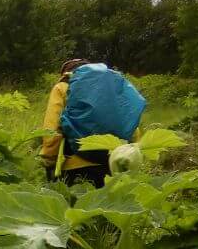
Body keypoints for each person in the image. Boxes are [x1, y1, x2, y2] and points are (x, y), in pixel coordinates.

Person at [39, 58, 142, 187]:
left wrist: (49, 159)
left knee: (76, 206)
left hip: (73, 166)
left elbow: (52, 129)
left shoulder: (63, 86)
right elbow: (131, 126)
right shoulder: (111, 91)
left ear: (66, 72)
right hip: (110, 164)